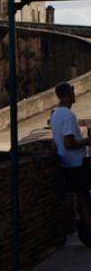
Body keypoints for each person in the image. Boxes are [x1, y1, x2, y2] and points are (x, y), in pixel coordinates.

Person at [50, 81, 91, 244]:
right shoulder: (68, 115)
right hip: (76, 163)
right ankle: (89, 231)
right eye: (72, 94)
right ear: (67, 95)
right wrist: (87, 140)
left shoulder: (54, 114)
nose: (75, 97)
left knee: (80, 198)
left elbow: (56, 142)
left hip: (66, 163)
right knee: (84, 198)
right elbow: (69, 142)